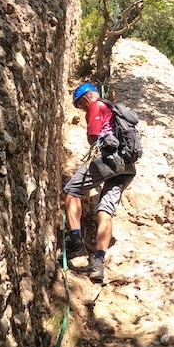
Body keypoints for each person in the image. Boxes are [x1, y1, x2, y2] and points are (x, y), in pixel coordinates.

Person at [62, 82, 136, 283]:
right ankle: (98, 263)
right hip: (127, 167)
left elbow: (93, 136)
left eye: (80, 104)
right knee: (105, 211)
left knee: (72, 190)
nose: (82, 109)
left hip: (109, 161)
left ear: (87, 96)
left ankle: (76, 240)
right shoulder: (114, 109)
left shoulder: (97, 105)